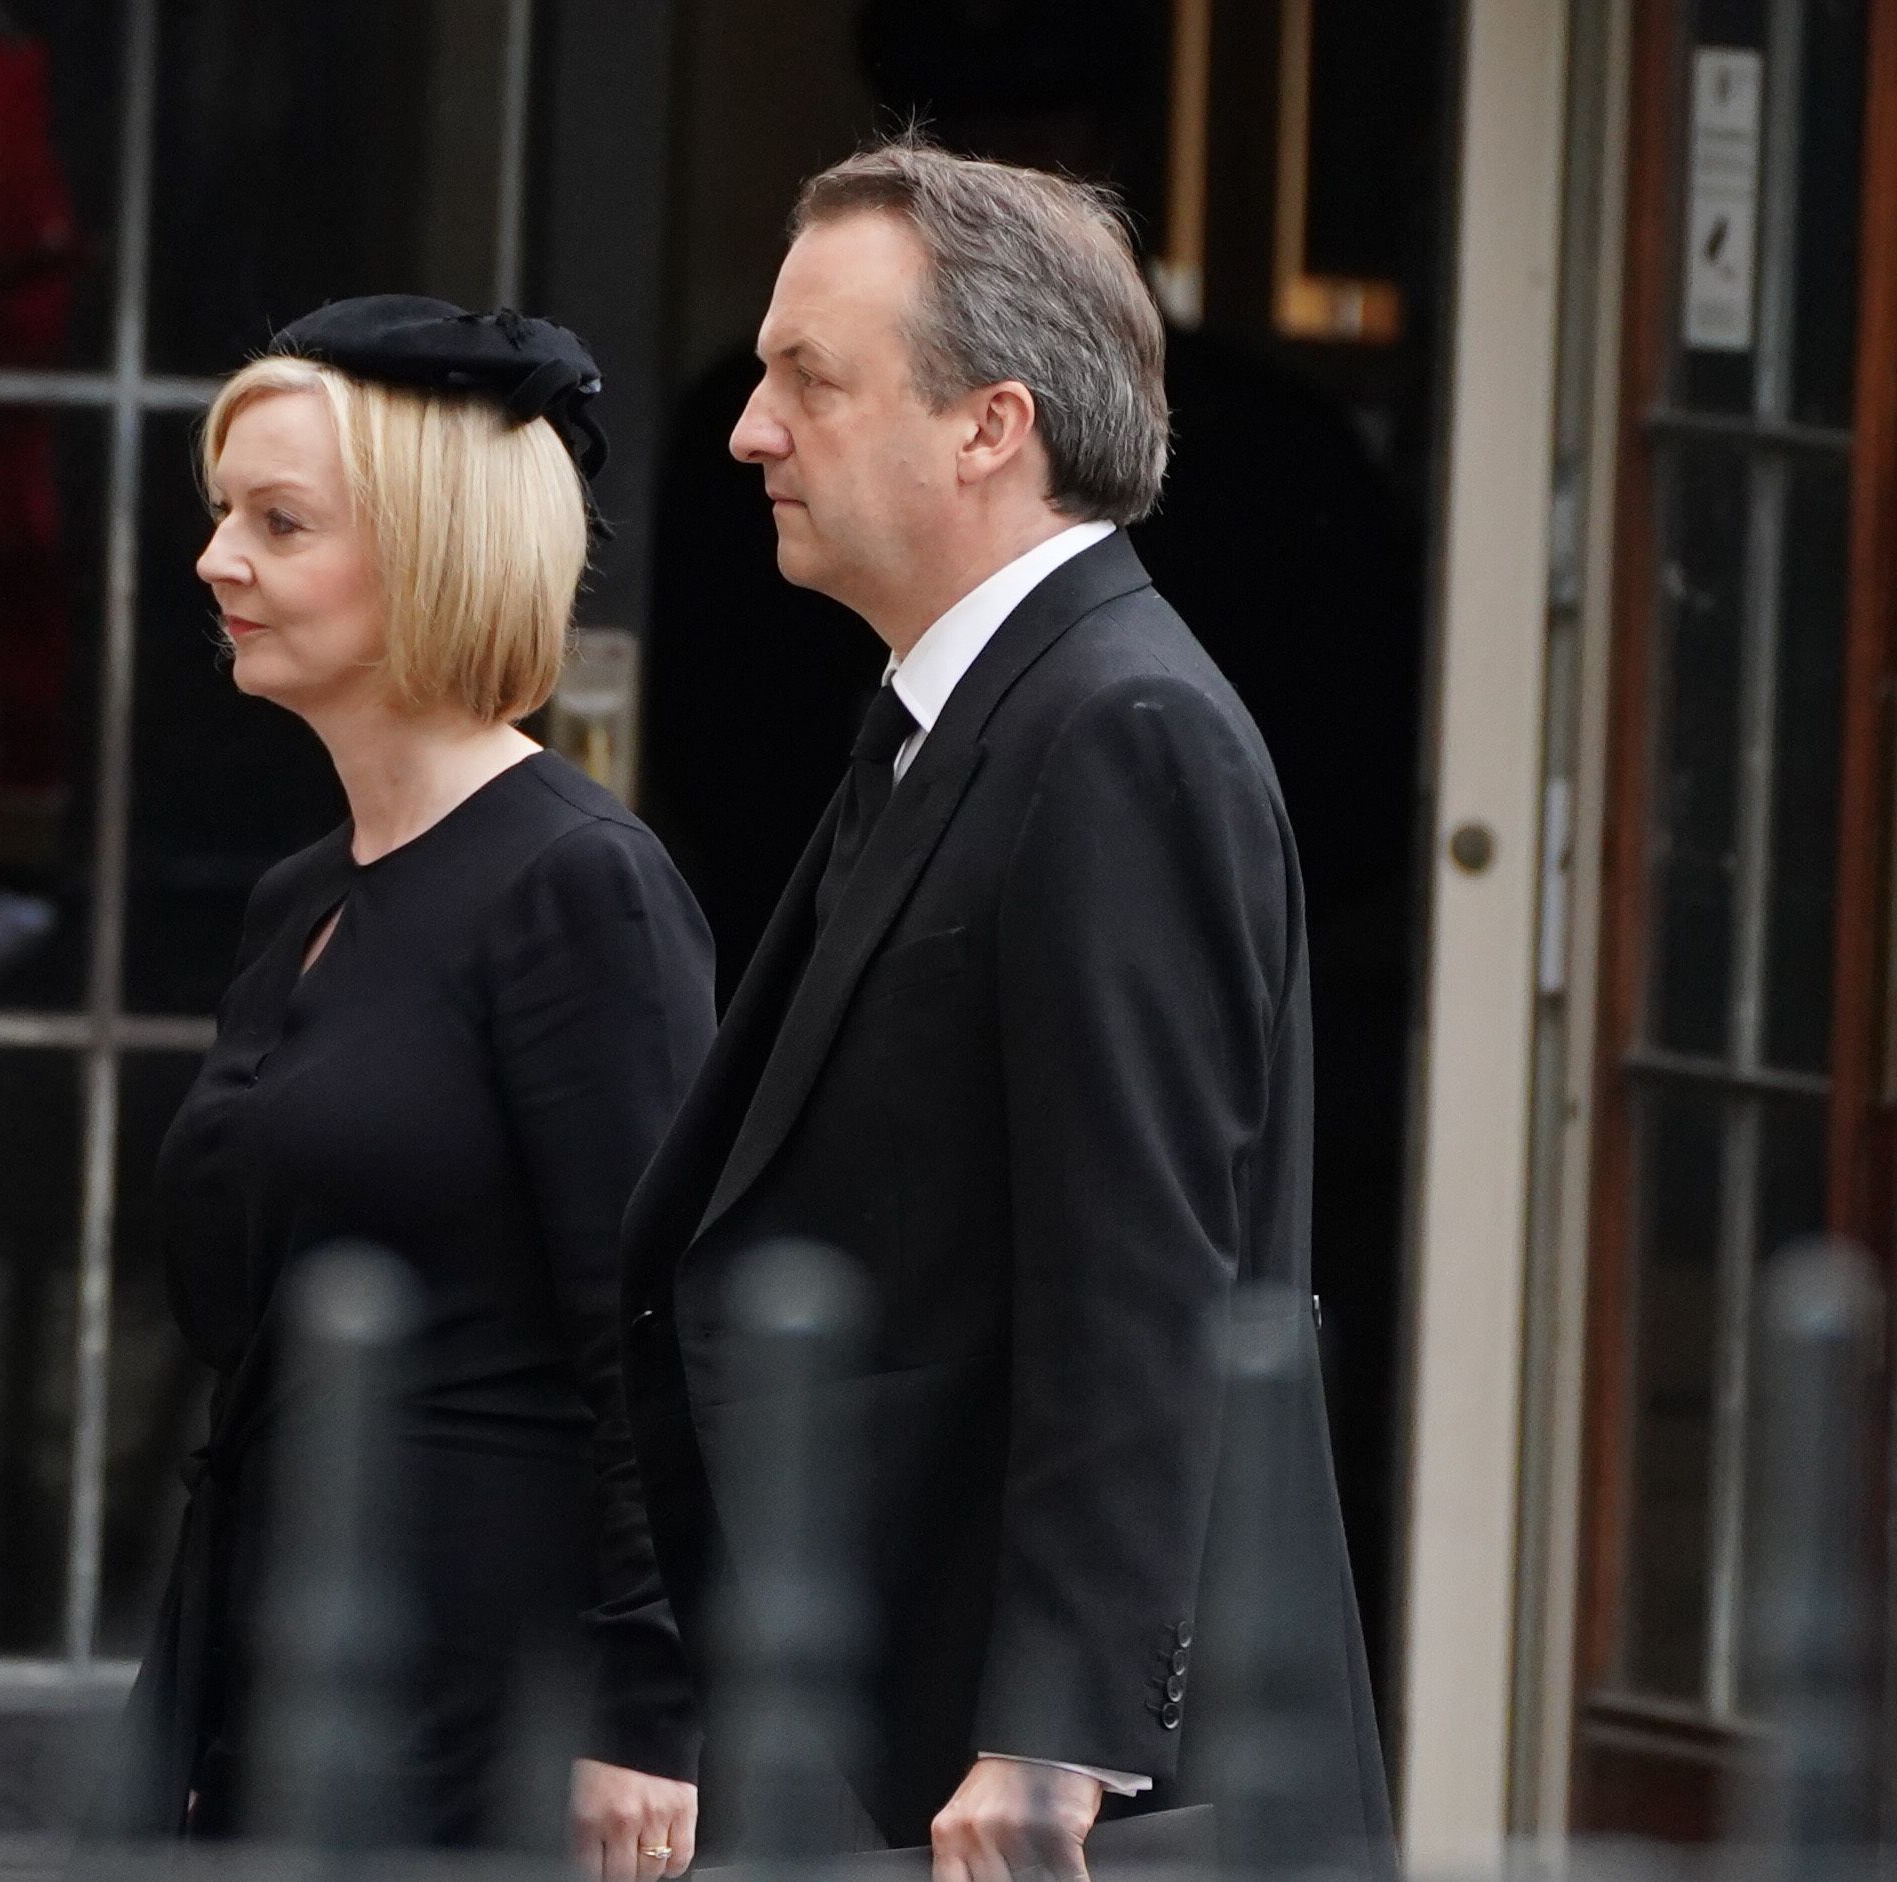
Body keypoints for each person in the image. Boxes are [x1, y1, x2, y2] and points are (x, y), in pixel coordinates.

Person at [619, 138, 1394, 1875]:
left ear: (994, 424)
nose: (747, 428)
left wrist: (1057, 1731)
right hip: (874, 1708)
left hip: (1038, 1786)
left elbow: (1146, 1273)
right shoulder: (948, 714)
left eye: (807, 379)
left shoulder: (1121, 732)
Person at [116, 297, 710, 1872]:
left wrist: (642, 1709)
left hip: (483, 1701)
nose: (217, 560)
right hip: (271, 1657)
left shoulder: (581, 885)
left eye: (280, 522)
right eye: (224, 513)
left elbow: (655, 1328)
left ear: (432, 550)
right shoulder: (299, 893)